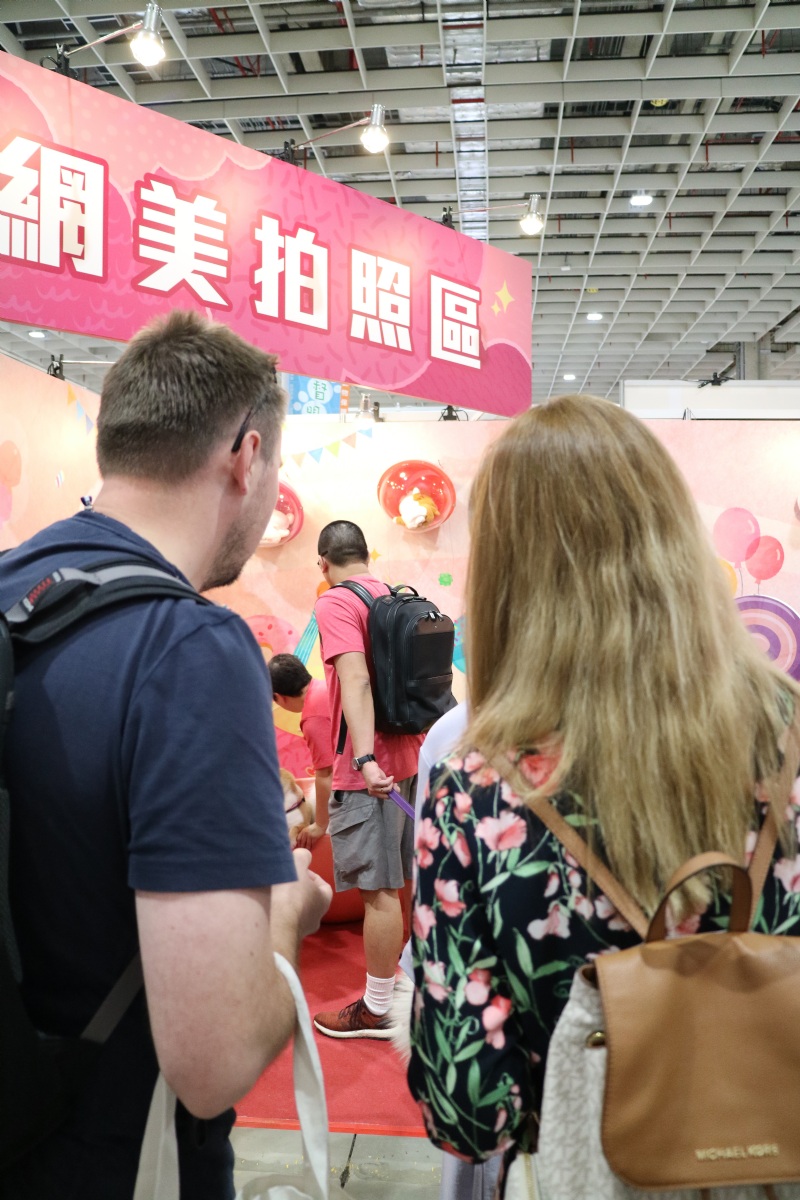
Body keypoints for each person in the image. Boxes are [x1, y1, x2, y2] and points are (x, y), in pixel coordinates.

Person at [407, 393, 800, 1170]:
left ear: (505, 572)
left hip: (587, 1171)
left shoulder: (479, 788)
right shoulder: (788, 741)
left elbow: (468, 1110)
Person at [0, 309, 331, 1200]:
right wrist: (286, 914)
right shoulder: (191, 649)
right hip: (113, 1159)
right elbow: (212, 1061)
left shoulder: (13, 589)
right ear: (246, 456)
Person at [312, 520, 424, 1038]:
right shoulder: (391, 594)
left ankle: (377, 1008)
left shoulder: (337, 601)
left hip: (371, 771)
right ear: (366, 554)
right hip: (411, 757)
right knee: (401, 883)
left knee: (378, 891)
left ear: (323, 563)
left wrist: (362, 759)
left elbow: (354, 677)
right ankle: (405, 986)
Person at [269, 653, 334, 850]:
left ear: (279, 697)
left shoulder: (312, 718)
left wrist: (320, 825)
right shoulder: (327, 687)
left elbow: (326, 774)